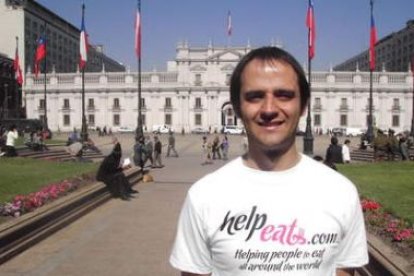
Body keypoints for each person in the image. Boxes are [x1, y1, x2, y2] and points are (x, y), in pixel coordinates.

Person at [170, 46, 368, 276]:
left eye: (284, 95)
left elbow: (343, 271)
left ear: (303, 105)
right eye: (255, 96)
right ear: (237, 107)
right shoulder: (203, 196)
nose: (269, 109)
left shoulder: (341, 192)